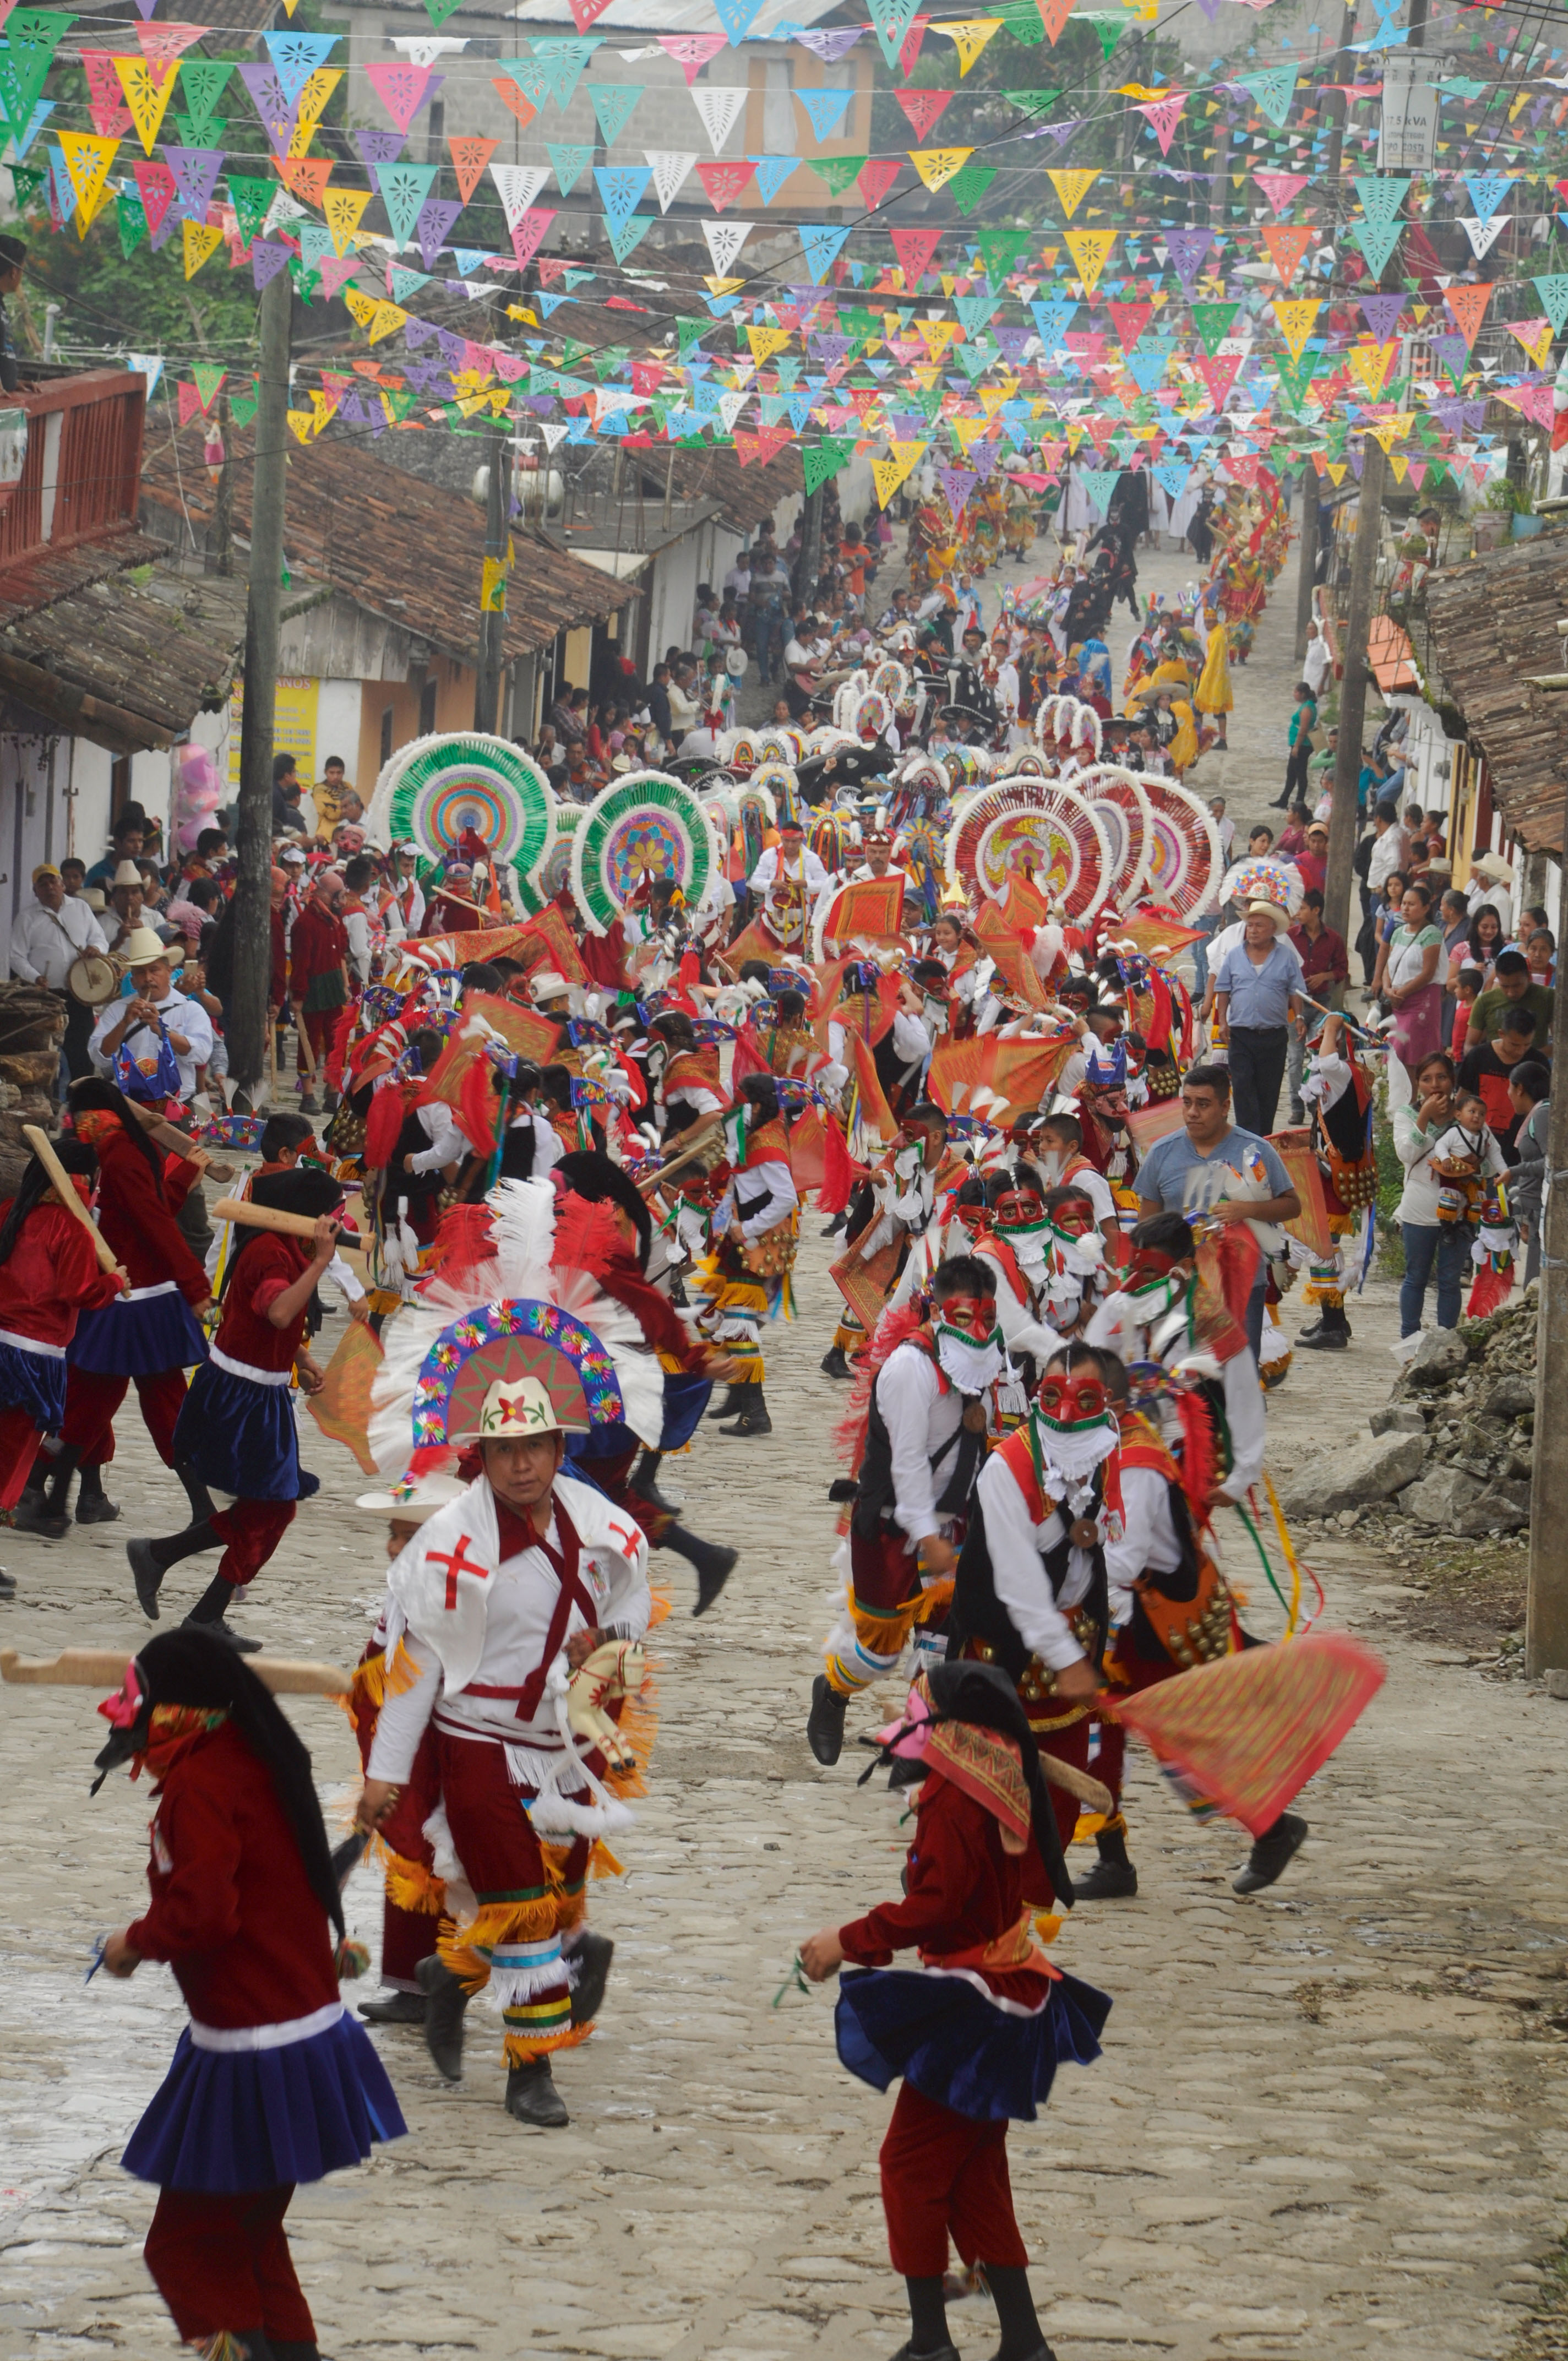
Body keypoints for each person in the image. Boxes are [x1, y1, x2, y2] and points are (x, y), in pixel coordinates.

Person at [90, 1630, 405, 2355]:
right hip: (302, 2035)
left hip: (255, 2052)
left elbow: (202, 1914)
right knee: (250, 2236)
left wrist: (133, 1943)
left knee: (189, 2248)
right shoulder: (253, 1761)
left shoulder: (200, 1788)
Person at [358, 1365, 651, 2128]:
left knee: (554, 1905)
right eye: (503, 1450)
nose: (521, 1465)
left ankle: (450, 1977)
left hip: (562, 1747)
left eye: (535, 1447)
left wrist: (608, 1646)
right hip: (476, 1741)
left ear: (559, 1449)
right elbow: (417, 1671)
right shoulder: (450, 1546)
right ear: (481, 1458)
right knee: (521, 1906)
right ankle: (531, 2069)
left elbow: (633, 1615)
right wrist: (385, 1774)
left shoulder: (606, 1531)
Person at [798, 1660, 1110, 2361]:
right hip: (1007, 1995)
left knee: (908, 2163)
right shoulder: (997, 1775)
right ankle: (1024, 2343)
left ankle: (930, 2339)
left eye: (918, 1701)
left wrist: (844, 1940)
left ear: (945, 1722)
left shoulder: (957, 1797)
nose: (907, 1709)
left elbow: (937, 1903)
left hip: (978, 2008)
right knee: (974, 2172)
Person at [127, 1167, 345, 1647]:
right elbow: (279, 1311)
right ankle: (194, 1602)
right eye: (331, 1215)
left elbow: (264, 1327)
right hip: (239, 1400)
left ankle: (163, 1561)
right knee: (273, 1509)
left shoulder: (283, 1248)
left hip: (258, 1394)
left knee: (268, 1508)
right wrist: (321, 1263)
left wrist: (302, 1358)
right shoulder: (270, 1251)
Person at [808, 1254, 1004, 1767]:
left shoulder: (983, 1356)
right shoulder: (908, 1368)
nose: (980, 1330)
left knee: (943, 1640)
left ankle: (922, 1736)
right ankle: (831, 1692)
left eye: (989, 1317)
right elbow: (909, 1460)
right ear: (938, 1311)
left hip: (954, 1518)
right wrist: (926, 1532)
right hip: (893, 1523)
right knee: (880, 1653)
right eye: (966, 1318)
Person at [26, 1078, 214, 1535]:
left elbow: (151, 1219)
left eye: (79, 1117)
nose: (76, 1126)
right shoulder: (119, 1152)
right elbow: (147, 1215)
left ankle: (53, 1499)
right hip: (134, 1298)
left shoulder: (119, 1154)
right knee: (106, 1403)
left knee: (104, 1402)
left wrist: (194, 1284)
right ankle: (58, 1499)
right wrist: (185, 1177)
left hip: (131, 1302)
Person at [0, 1136, 126, 1553]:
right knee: (13, 1455)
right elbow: (80, 1292)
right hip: (34, 1358)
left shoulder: (9, 1213)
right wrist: (114, 1282)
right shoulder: (70, 1229)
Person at [1136, 1064, 1301, 1364]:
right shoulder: (1162, 1152)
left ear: (1225, 1106)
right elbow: (1146, 1225)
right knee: (1180, 1376)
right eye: (1187, 1103)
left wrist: (1246, 1209)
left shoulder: (1255, 1149)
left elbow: (1292, 1204)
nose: (1192, 1113)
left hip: (1241, 1282)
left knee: (1240, 1373)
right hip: (1179, 1285)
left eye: (1203, 1104)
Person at [1392, 1056, 1506, 1334]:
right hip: (1419, 1210)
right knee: (1416, 1277)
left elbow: (1491, 1161)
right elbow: (1406, 1154)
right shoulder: (1406, 1115)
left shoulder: (1469, 1115)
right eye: (1427, 1079)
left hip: (1460, 1211)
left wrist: (1475, 1163)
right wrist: (1424, 1117)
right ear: (1418, 1083)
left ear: (1453, 1081)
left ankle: (1445, 1340)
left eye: (1441, 1077)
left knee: (1450, 1280)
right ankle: (1409, 1339)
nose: (1435, 1085)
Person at [1210, 901, 1305, 1139]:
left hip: (1274, 1035)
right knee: (1242, 1087)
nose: (1252, 930)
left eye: (1259, 926)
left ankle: (1264, 1139)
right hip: (1240, 1034)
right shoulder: (1234, 956)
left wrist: (1300, 1017)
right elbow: (1223, 990)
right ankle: (1246, 1138)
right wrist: (1222, 1021)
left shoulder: (1286, 957)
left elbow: (1296, 991)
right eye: (1250, 925)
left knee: (1268, 1091)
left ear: (1273, 929)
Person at [9, 859, 110, 1080]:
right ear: (35, 891)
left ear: (62, 884)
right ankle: (52, 1101)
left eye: (53, 882)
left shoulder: (81, 908)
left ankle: (81, 1100)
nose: (49, 888)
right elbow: (16, 957)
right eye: (42, 884)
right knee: (46, 1052)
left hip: (79, 996)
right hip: (45, 997)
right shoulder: (26, 918)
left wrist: (96, 949)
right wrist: (35, 977)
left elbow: (100, 939)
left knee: (81, 1052)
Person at [1286, 889, 1348, 1120]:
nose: (1298, 913)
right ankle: (1296, 1106)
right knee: (1294, 1057)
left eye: (1302, 908)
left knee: (1317, 1056)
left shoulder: (1334, 939)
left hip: (1322, 1004)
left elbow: (1342, 970)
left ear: (1316, 910)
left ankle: (1313, 1101)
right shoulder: (1290, 936)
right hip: (1295, 1005)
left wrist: (1325, 976)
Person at [289, 871, 349, 1114]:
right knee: (309, 1043)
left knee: (336, 1042)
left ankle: (333, 1091)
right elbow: (301, 964)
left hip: (334, 989)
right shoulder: (304, 924)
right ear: (324, 894)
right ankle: (307, 1094)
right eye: (338, 895)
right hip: (313, 990)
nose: (342, 901)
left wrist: (345, 985)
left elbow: (341, 956)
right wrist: (298, 996)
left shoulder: (335, 921)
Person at [1376, 879, 1444, 1075]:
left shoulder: (1431, 934)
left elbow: (1428, 973)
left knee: (1413, 1057)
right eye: (1404, 903)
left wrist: (1402, 993)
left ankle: (1412, 1100)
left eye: (1411, 904)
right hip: (1398, 1001)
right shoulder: (1398, 932)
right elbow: (1390, 964)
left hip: (1420, 1002)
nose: (1405, 908)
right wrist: (1388, 989)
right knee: (1396, 1054)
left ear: (1425, 908)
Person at [1457, 1004, 1540, 1157]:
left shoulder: (1537, 1063)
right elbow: (1463, 1095)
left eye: (1527, 1045)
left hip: (1517, 1150)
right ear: (1501, 1034)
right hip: (1475, 1144)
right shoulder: (1478, 1056)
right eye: (1515, 1044)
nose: (1520, 1051)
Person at [1508, 1060, 1551, 1286]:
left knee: (1534, 1285)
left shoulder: (1542, 1115)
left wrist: (1514, 1171)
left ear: (1520, 1088)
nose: (1509, 1094)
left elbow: (1550, 1163)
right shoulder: (1537, 1114)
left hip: (1541, 1210)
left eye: (1510, 1088)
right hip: (1532, 1211)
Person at [1465, 945, 1554, 1051]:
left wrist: (1532, 1059)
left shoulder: (1548, 997)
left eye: (1517, 986)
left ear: (1528, 976)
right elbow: (1470, 1045)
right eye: (1505, 986)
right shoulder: (1484, 1001)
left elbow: (1562, 1042)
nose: (1511, 993)